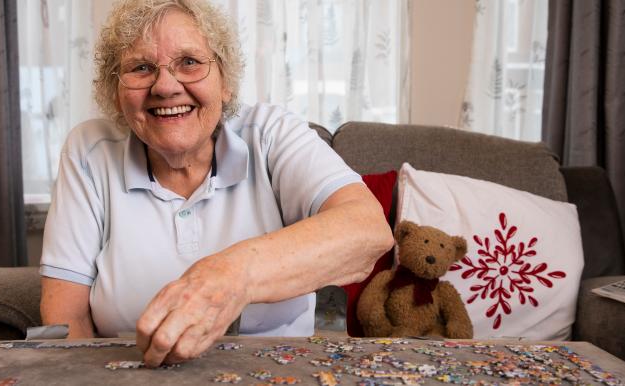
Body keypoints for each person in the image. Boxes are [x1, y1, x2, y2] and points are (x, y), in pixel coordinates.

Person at [39, 0, 393, 368]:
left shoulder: (271, 133)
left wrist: (232, 275)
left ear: (225, 82)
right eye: (141, 68)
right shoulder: (88, 150)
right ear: (116, 92)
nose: (165, 86)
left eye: (189, 63)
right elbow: (67, 318)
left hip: (274, 372)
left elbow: (368, 232)